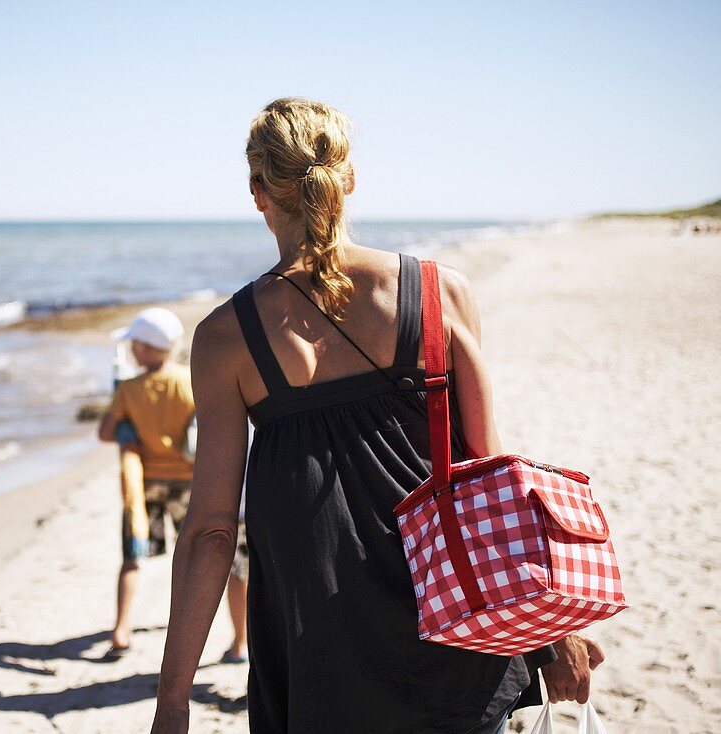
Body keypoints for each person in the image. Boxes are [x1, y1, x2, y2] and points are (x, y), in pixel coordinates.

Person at [151, 98, 605, 733]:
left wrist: (173, 701)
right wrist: (558, 632)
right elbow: (496, 478)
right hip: (455, 645)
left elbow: (210, 533)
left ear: (258, 191)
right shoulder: (440, 292)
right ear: (349, 178)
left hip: (318, 663)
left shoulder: (226, 338)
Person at [98, 307, 195, 660]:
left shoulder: (129, 389)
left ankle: (122, 629)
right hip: (188, 483)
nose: (131, 352)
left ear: (147, 348)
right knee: (191, 559)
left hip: (144, 485)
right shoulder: (190, 381)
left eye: (135, 345)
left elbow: (105, 432)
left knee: (132, 556)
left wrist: (128, 428)